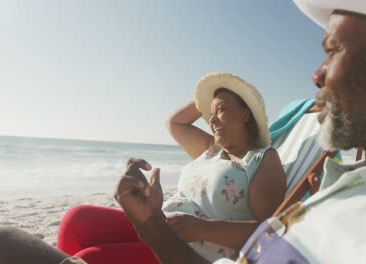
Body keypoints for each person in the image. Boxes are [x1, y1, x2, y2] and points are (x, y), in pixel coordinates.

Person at [0, 0, 366, 263]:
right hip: (181, 242)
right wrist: (153, 225)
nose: (316, 75)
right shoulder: (351, 188)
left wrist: (188, 227)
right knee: (40, 231)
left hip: (196, 241)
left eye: (331, 51)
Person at [54, 72, 286, 263]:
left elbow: (271, 233)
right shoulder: (211, 149)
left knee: (90, 258)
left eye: (222, 110)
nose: (211, 119)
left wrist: (203, 229)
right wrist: (215, 91)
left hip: (189, 251)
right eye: (210, 113)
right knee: (78, 220)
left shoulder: (261, 159)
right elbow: (174, 122)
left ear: (246, 114)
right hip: (161, 224)